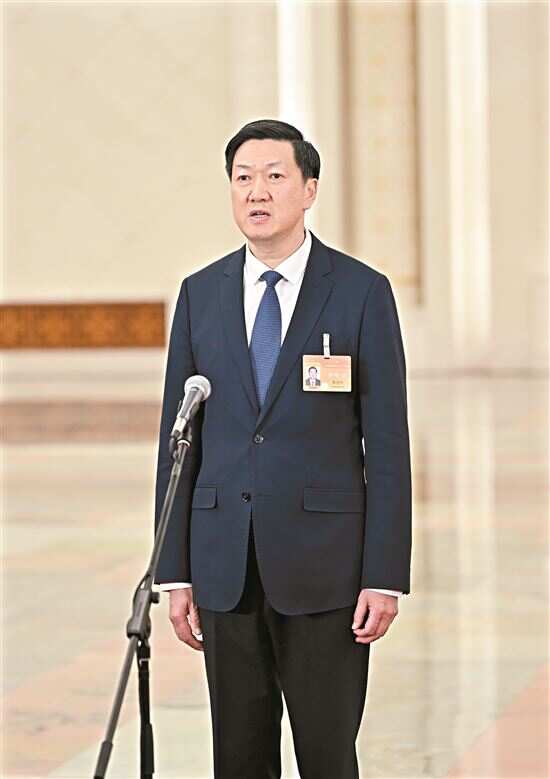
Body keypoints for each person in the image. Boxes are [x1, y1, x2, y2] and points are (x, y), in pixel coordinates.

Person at [154, 119, 412, 779]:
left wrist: (384, 574)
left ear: (309, 189)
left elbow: (387, 444)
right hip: (226, 570)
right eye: (243, 178)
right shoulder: (201, 294)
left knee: (327, 756)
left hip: (326, 570)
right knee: (238, 759)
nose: (256, 192)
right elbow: (179, 440)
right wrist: (175, 571)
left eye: (274, 176)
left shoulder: (360, 291)